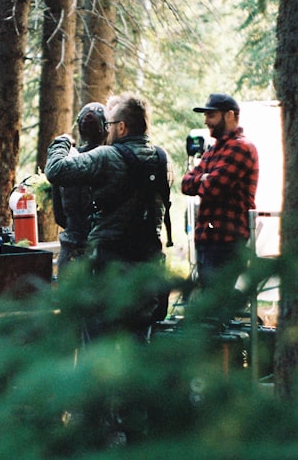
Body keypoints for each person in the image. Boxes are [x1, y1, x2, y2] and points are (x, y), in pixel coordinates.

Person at [45, 92, 172, 339]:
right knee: (138, 344)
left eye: (111, 124)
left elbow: (56, 170)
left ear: (122, 127)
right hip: (148, 265)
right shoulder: (163, 159)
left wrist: (60, 144)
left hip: (109, 266)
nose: (108, 129)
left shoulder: (107, 157)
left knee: (98, 347)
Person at [180, 93, 259, 322]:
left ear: (230, 115)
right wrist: (204, 178)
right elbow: (186, 183)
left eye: (211, 115)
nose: (206, 121)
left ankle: (226, 355)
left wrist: (203, 179)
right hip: (208, 239)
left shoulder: (242, 148)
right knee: (209, 305)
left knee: (216, 307)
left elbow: (215, 187)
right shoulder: (214, 150)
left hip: (227, 241)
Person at [51, 102, 108, 273]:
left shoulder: (63, 163)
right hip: (103, 254)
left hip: (70, 253)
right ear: (106, 128)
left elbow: (59, 216)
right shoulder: (114, 162)